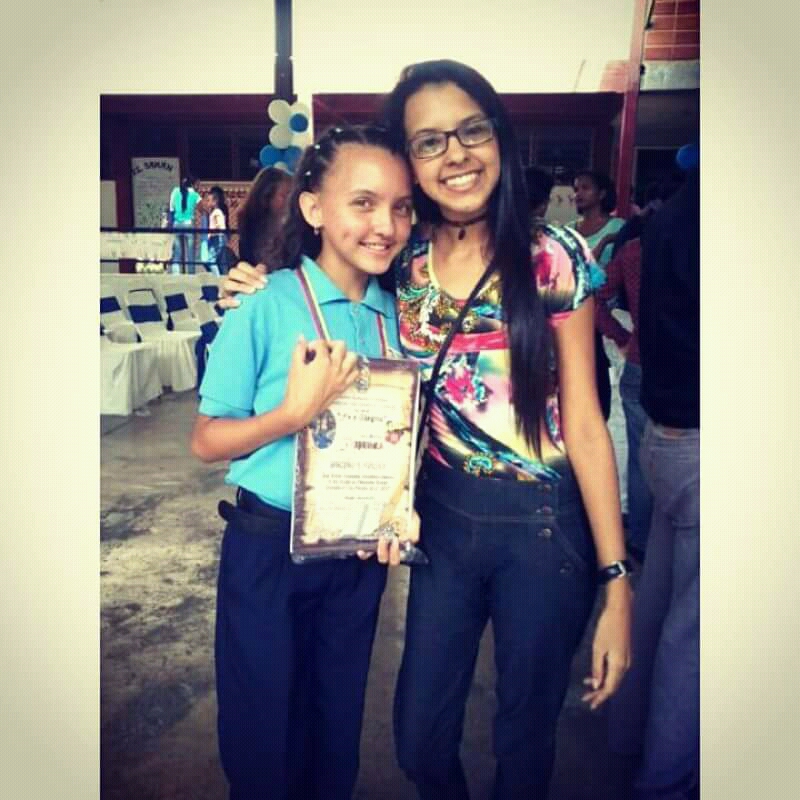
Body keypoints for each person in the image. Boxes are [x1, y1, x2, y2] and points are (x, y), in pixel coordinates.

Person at [220, 59, 632, 800]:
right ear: (410, 160)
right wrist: (257, 284)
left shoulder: (551, 257)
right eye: (430, 141)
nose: (456, 155)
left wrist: (618, 583)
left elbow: (586, 424)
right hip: (441, 520)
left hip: (544, 530)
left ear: (500, 138)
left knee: (524, 739)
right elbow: (329, 274)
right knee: (418, 740)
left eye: (472, 131)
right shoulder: (400, 261)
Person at [190, 124, 419, 800]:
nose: (385, 225)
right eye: (363, 203)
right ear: (314, 208)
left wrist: (398, 510)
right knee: (263, 736)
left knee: (334, 727)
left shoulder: (398, 318)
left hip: (356, 555)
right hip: (270, 548)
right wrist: (291, 416)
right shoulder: (263, 304)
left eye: (401, 207)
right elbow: (206, 440)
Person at [606, 161, 700, 800]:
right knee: (696, 631)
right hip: (704, 430)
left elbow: (604, 305)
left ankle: (626, 736)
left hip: (661, 414)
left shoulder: (653, 231)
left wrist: (624, 337)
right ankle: (665, 781)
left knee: (660, 600)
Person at [236, 166, 293, 272]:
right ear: (266, 197)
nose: (290, 201)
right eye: (284, 196)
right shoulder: (250, 227)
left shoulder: (294, 227)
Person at [169, 174, 203, 274]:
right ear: (193, 184)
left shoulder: (175, 191)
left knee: (177, 252)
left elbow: (171, 209)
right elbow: (202, 209)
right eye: (198, 185)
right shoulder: (195, 195)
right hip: (189, 224)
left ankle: (176, 274)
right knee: (190, 252)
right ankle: (191, 274)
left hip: (176, 224)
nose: (198, 187)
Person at [205, 185, 228, 276]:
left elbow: (220, 225)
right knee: (218, 260)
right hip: (217, 237)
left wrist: (213, 232)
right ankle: (220, 275)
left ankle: (217, 276)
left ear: (215, 201)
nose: (207, 203)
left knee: (210, 260)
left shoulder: (217, 212)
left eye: (209, 200)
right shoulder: (215, 212)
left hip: (216, 238)